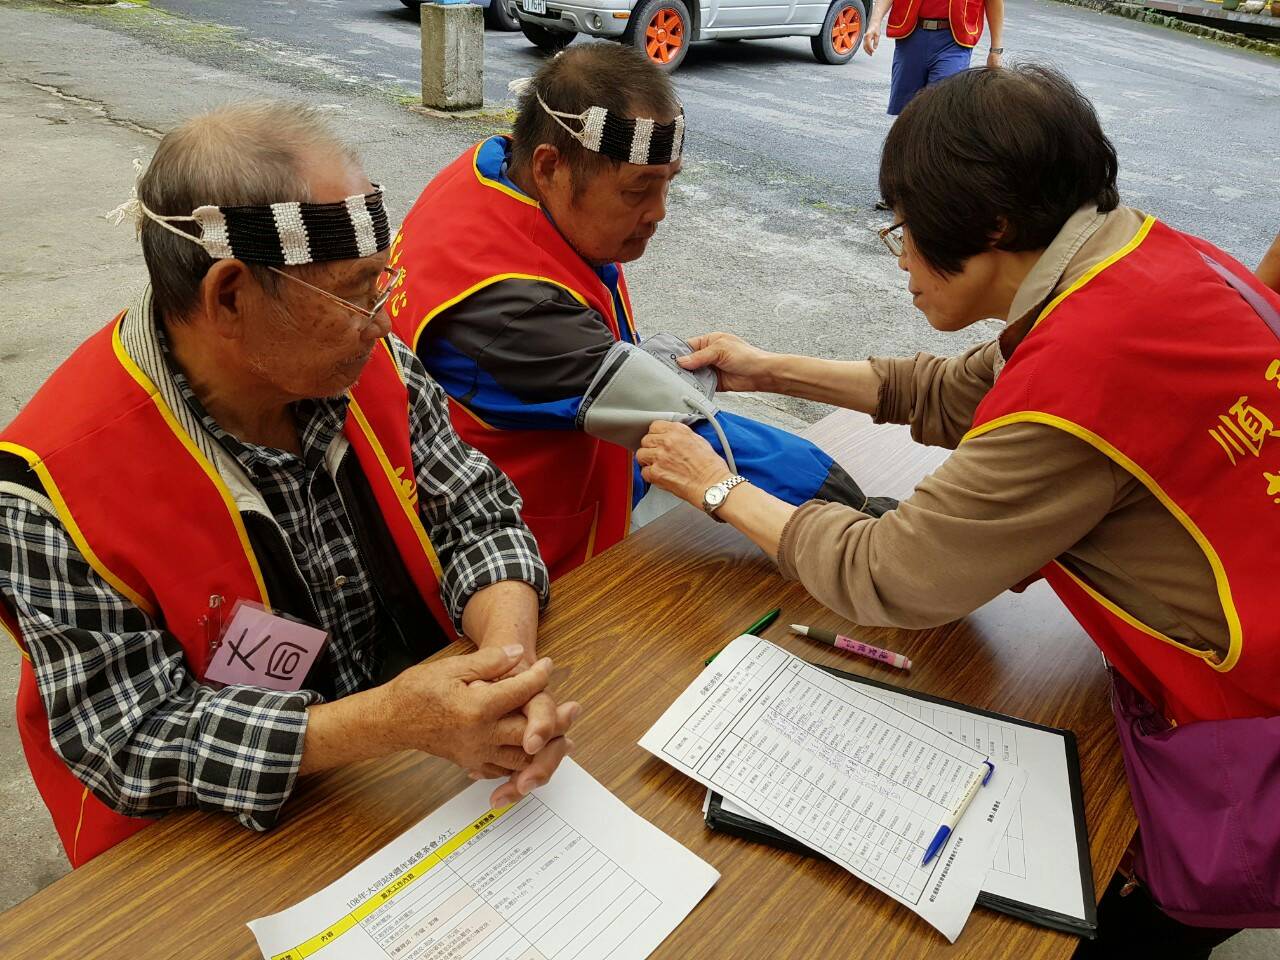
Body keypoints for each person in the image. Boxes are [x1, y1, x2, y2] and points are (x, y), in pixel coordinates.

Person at [638, 65, 1279, 957]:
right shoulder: (1148, 264)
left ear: (992, 226)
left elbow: (890, 573)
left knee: (1101, 928)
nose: (899, 252)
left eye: (903, 225)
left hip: (1246, 738)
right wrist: (766, 366)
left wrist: (715, 487)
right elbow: (958, 392)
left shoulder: (1090, 366)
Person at [0, 102, 577, 868]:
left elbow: (478, 514)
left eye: (383, 281)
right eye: (353, 291)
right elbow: (128, 740)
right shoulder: (45, 482)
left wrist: (504, 668)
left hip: (408, 783)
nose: (382, 317)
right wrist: (383, 723)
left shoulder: (371, 363)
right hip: (204, 856)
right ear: (230, 297)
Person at [387, 43, 889, 581]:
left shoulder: (490, 171)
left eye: (668, 181)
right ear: (550, 165)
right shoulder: (513, 311)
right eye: (636, 190)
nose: (658, 212)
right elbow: (691, 430)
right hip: (523, 554)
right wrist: (850, 511)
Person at [864, 0, 1004, 117]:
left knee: (942, 109)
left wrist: (995, 50)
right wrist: (875, 22)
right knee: (908, 112)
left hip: (954, 42)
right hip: (911, 36)